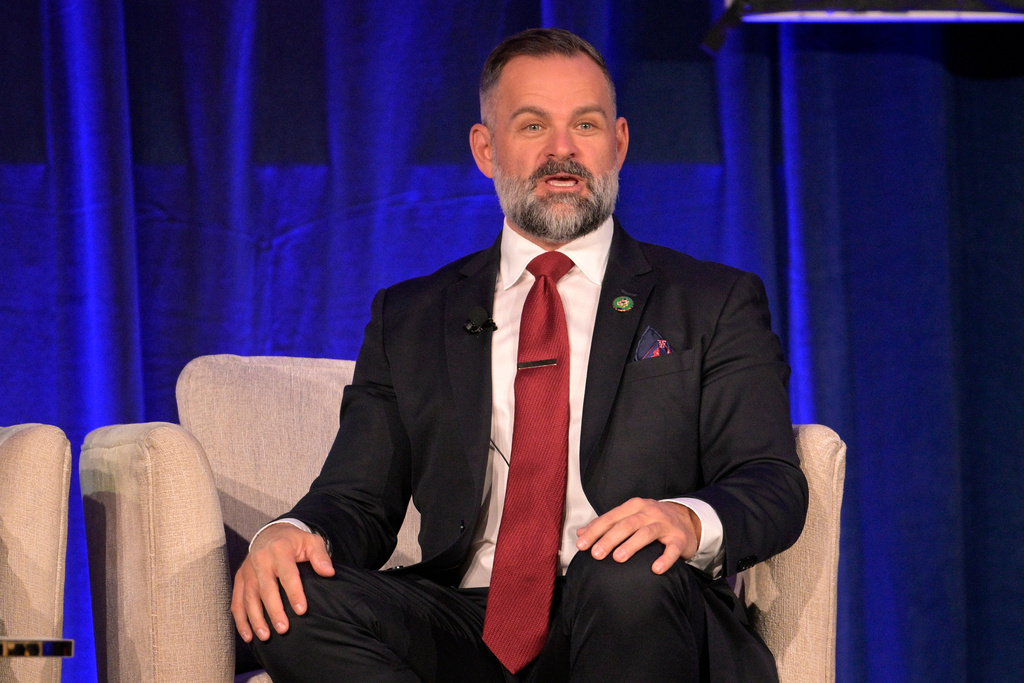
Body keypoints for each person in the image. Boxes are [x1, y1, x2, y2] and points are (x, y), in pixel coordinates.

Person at [231, 28, 808, 682]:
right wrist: (286, 533)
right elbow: (358, 500)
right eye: (533, 125)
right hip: (465, 619)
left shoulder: (711, 300)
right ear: (486, 149)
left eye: (585, 124)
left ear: (618, 143)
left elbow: (769, 479)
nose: (563, 150)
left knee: (623, 572)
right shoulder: (411, 316)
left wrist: (684, 519)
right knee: (291, 602)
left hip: (638, 614)